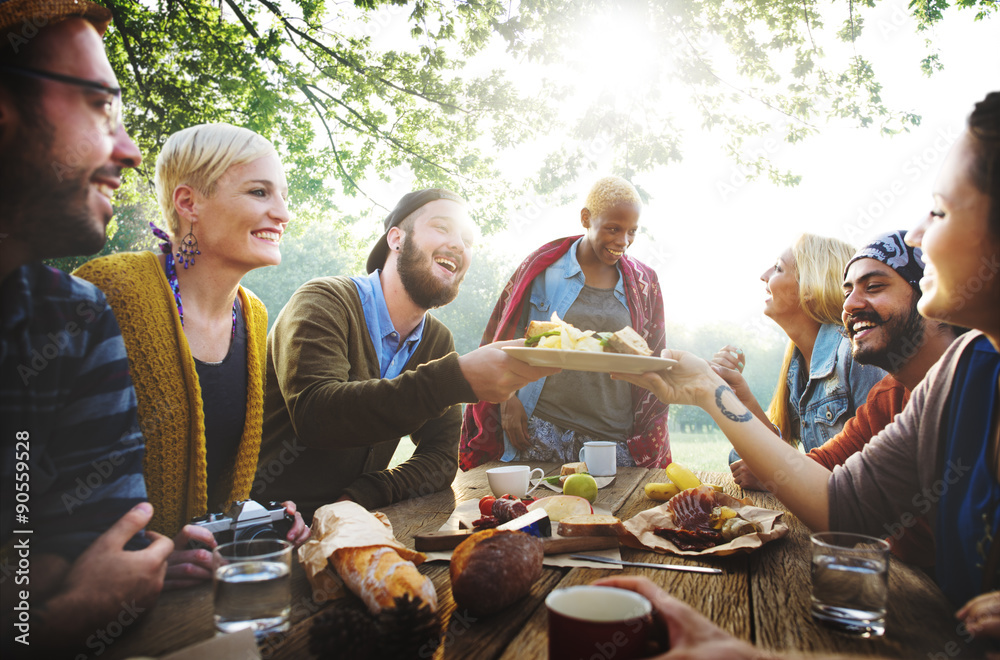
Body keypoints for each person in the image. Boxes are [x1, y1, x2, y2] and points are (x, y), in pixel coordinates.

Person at [612, 91, 1000, 645]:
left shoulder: (889, 367)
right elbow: (843, 503)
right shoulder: (961, 378)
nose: (916, 234)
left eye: (938, 210)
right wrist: (705, 389)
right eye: (848, 289)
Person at [0, 1, 172, 649]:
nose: (128, 152)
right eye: (100, 104)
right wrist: (50, 623)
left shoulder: (73, 316)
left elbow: (107, 540)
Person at [74, 123, 309, 589]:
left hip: (203, 605)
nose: (282, 212)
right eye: (260, 192)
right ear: (188, 204)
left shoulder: (253, 314)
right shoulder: (108, 290)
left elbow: (223, 484)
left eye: (282, 194)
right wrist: (146, 554)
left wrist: (253, 522)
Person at [254, 188, 558, 520]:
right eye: (442, 227)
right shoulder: (323, 300)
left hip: (352, 524)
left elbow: (441, 460)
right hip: (265, 530)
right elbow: (316, 415)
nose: (459, 245)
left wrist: (363, 495)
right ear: (396, 238)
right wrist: (454, 380)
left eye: (468, 240)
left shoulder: (437, 340)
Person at [724, 230, 957, 566]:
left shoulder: (978, 385)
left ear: (932, 296)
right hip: (898, 580)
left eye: (874, 287)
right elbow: (826, 483)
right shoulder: (890, 397)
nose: (849, 304)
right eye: (847, 291)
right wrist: (722, 395)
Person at [459, 176, 669, 470]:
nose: (623, 241)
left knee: (611, 513)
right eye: (613, 229)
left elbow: (653, 355)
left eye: (632, 231)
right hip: (541, 428)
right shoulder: (543, 267)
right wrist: (507, 400)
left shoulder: (645, 283)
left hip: (612, 437)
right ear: (586, 218)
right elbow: (504, 337)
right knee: (536, 513)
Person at [724, 233, 886, 466]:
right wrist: (736, 391)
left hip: (851, 496)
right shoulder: (797, 363)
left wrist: (778, 475)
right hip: (827, 492)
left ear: (809, 287)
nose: (764, 276)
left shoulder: (855, 354)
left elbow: (878, 462)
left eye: (778, 269)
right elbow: (774, 448)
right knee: (738, 457)